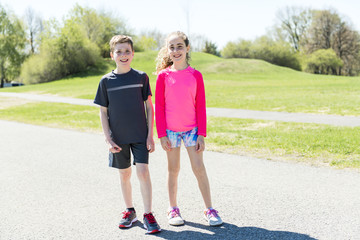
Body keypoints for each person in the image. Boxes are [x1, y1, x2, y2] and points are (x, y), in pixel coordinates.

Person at [155, 31, 223, 227]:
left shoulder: (196, 75)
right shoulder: (163, 76)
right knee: (173, 169)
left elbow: (200, 106)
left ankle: (209, 209)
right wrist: (161, 135)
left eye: (179, 46)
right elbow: (158, 107)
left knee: (199, 168)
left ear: (187, 48)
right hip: (171, 131)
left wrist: (202, 134)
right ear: (168, 51)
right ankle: (173, 208)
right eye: (172, 47)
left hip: (192, 130)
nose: (176, 51)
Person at [94, 35, 161, 234]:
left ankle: (148, 214)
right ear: (111, 55)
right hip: (118, 138)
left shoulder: (141, 77)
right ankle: (130, 210)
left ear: (132, 54)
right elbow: (103, 112)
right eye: (119, 51)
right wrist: (108, 138)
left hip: (140, 135)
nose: (123, 55)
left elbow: (149, 106)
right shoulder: (105, 81)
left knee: (143, 172)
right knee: (124, 174)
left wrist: (150, 135)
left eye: (127, 51)